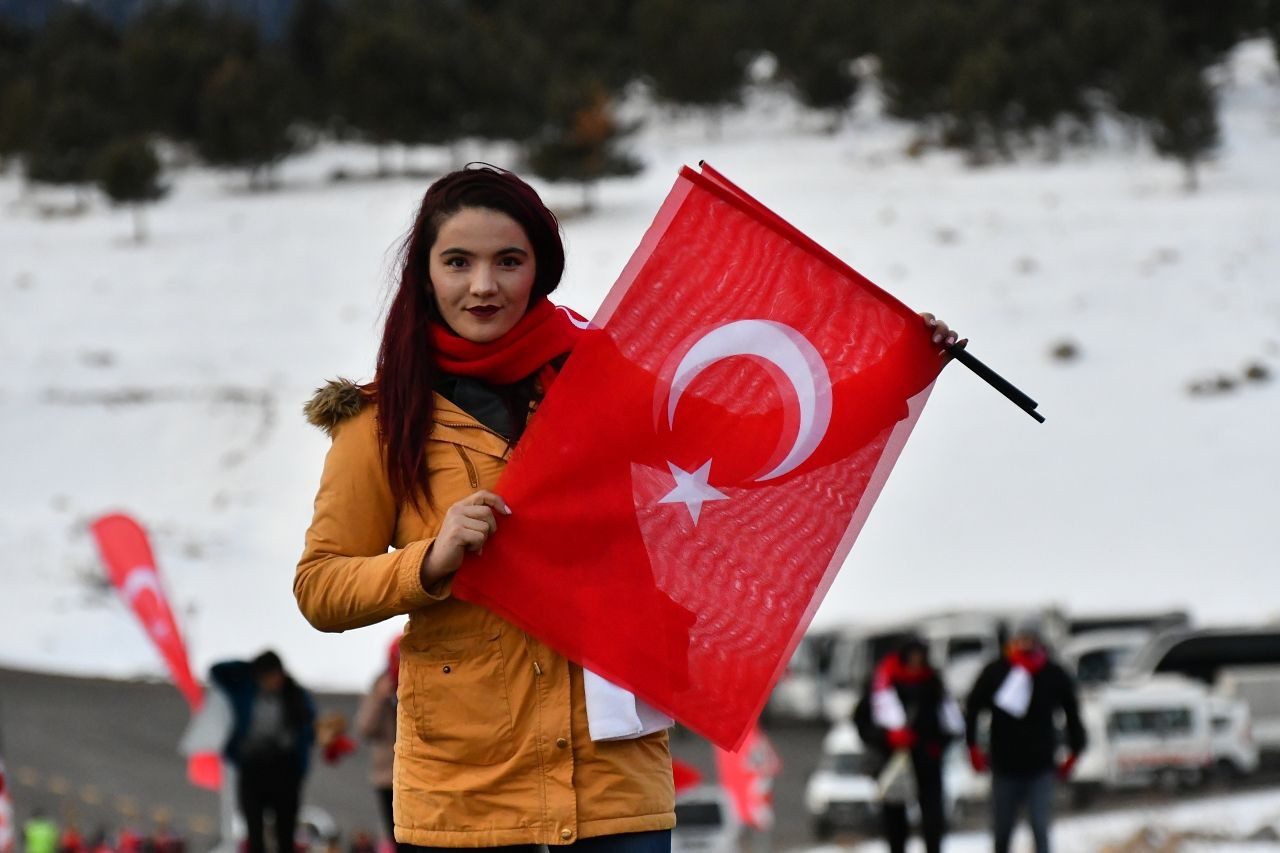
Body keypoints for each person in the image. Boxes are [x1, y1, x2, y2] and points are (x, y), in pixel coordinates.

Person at [294, 164, 961, 851]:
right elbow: (319, 587)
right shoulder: (379, 419)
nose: (483, 285)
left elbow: (754, 445)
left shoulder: (599, 376)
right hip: (465, 792)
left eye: (508, 261)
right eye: (458, 261)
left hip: (613, 781)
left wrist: (896, 370)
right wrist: (429, 561)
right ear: (425, 273)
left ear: (541, 268)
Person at [965, 619, 1086, 853]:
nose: (1024, 644)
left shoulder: (1052, 672)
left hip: (1041, 764)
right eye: (1020, 639)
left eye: (1029, 639)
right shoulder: (997, 671)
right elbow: (973, 708)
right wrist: (972, 746)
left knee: (1041, 829)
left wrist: (1075, 750)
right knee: (1002, 830)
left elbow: (1072, 712)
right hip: (1004, 764)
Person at [853, 638, 965, 853]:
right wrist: (887, 737)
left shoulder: (933, 682)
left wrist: (937, 746)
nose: (916, 661)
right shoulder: (881, 682)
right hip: (894, 761)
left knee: (933, 819)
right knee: (894, 821)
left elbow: (950, 721)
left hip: (928, 761)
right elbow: (862, 723)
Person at [210, 651, 316, 853]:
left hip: (285, 770)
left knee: (285, 832)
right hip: (253, 767)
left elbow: (310, 729)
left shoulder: (295, 695)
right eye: (267, 676)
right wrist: (248, 666)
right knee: (254, 832)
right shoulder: (245, 692)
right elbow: (216, 671)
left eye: (276, 675)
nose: (273, 681)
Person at [354, 640, 400, 849]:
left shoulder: (423, 680)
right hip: (387, 777)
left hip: (421, 775)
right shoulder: (379, 688)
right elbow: (364, 728)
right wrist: (381, 698)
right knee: (396, 836)